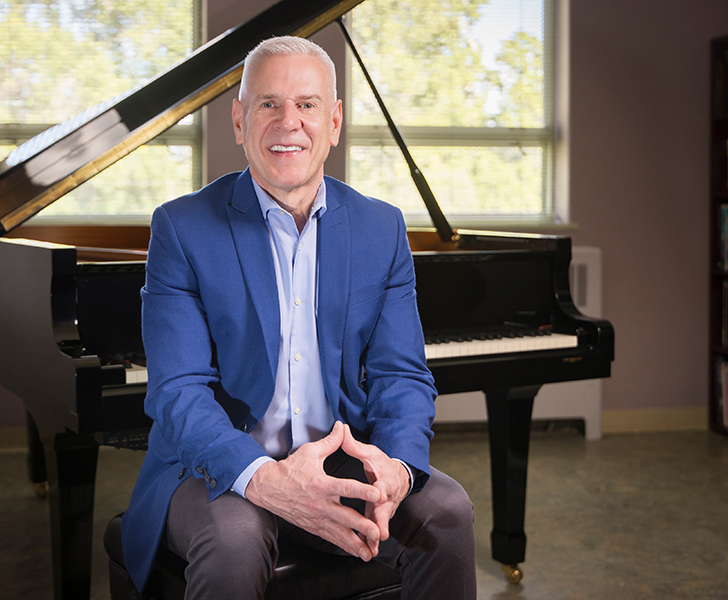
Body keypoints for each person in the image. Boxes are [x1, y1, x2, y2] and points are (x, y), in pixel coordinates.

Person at [121, 35, 476, 599]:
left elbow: (401, 377)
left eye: (307, 105)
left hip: (342, 462)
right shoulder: (182, 229)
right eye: (268, 104)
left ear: (334, 121)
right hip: (219, 470)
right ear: (238, 120)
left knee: (449, 512)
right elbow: (177, 393)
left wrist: (397, 469)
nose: (290, 122)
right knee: (236, 537)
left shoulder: (381, 230)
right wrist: (268, 481)